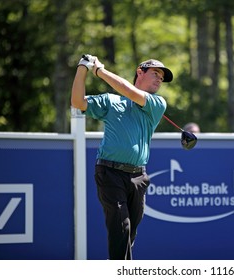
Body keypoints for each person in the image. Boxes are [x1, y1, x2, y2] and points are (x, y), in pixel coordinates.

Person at [71, 54, 173, 260]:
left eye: (161, 78)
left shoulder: (157, 103)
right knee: (121, 227)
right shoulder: (111, 101)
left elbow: (130, 91)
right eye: (155, 74)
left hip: (138, 177)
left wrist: (99, 71)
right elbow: (77, 102)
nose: (159, 80)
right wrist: (82, 69)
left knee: (128, 234)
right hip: (109, 172)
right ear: (140, 72)